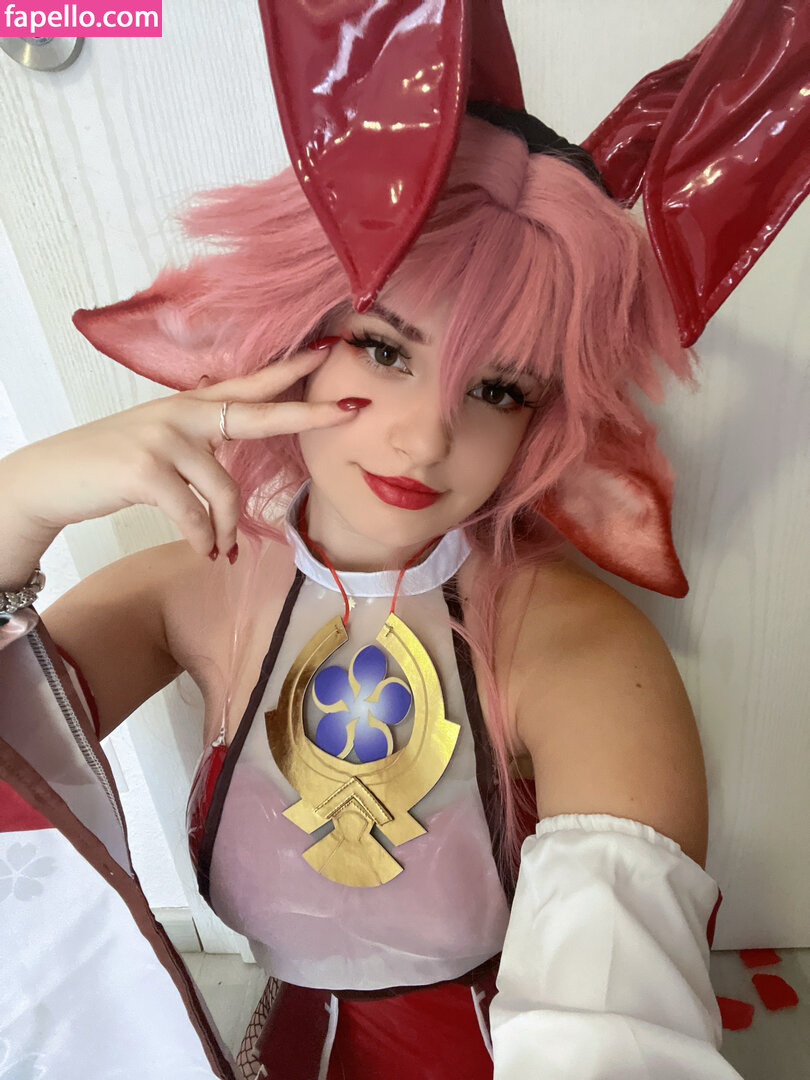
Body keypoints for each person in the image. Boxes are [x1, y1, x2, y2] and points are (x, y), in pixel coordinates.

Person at [0, 115, 742, 1079]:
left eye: (500, 388)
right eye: (386, 350)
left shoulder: (580, 652)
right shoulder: (194, 585)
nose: (425, 441)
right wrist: (15, 504)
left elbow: (610, 1027)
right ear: (292, 331)